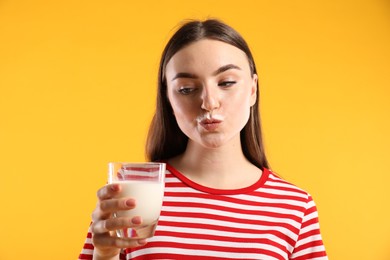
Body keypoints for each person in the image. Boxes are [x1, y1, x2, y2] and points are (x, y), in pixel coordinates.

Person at [79, 19, 328, 260]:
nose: (209, 103)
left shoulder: (294, 206)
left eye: (227, 82)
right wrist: (104, 255)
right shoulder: (131, 190)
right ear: (168, 99)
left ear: (252, 90)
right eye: (187, 89)